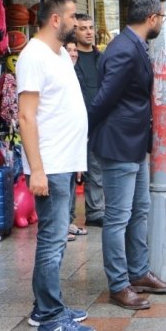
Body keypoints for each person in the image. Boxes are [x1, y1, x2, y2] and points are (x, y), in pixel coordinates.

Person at [89, 0, 166, 311]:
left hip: (134, 145)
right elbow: (103, 100)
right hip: (117, 144)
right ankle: (118, 284)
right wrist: (89, 131)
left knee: (140, 210)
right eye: (162, 18)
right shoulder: (124, 49)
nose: (162, 23)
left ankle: (139, 272)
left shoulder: (134, 44)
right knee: (117, 218)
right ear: (151, 18)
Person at [17, 0, 95, 331]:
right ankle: (50, 317)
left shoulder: (61, 52)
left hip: (65, 161)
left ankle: (44, 307)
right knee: (51, 241)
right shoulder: (33, 56)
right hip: (48, 165)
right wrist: (36, 169)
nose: (76, 22)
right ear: (54, 20)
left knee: (56, 241)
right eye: (72, 16)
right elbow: (26, 116)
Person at [75, 13, 104, 228]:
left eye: (91, 27)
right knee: (72, 170)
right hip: (74, 121)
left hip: (97, 121)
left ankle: (95, 212)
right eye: (83, 28)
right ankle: (67, 219)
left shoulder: (101, 57)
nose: (88, 32)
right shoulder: (69, 58)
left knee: (97, 168)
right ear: (75, 31)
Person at [63, 39, 87, 241]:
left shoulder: (76, 73)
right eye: (68, 49)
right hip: (63, 138)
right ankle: (61, 227)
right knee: (63, 185)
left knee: (73, 181)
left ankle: (68, 222)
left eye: (75, 50)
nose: (73, 53)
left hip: (76, 137)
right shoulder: (61, 73)